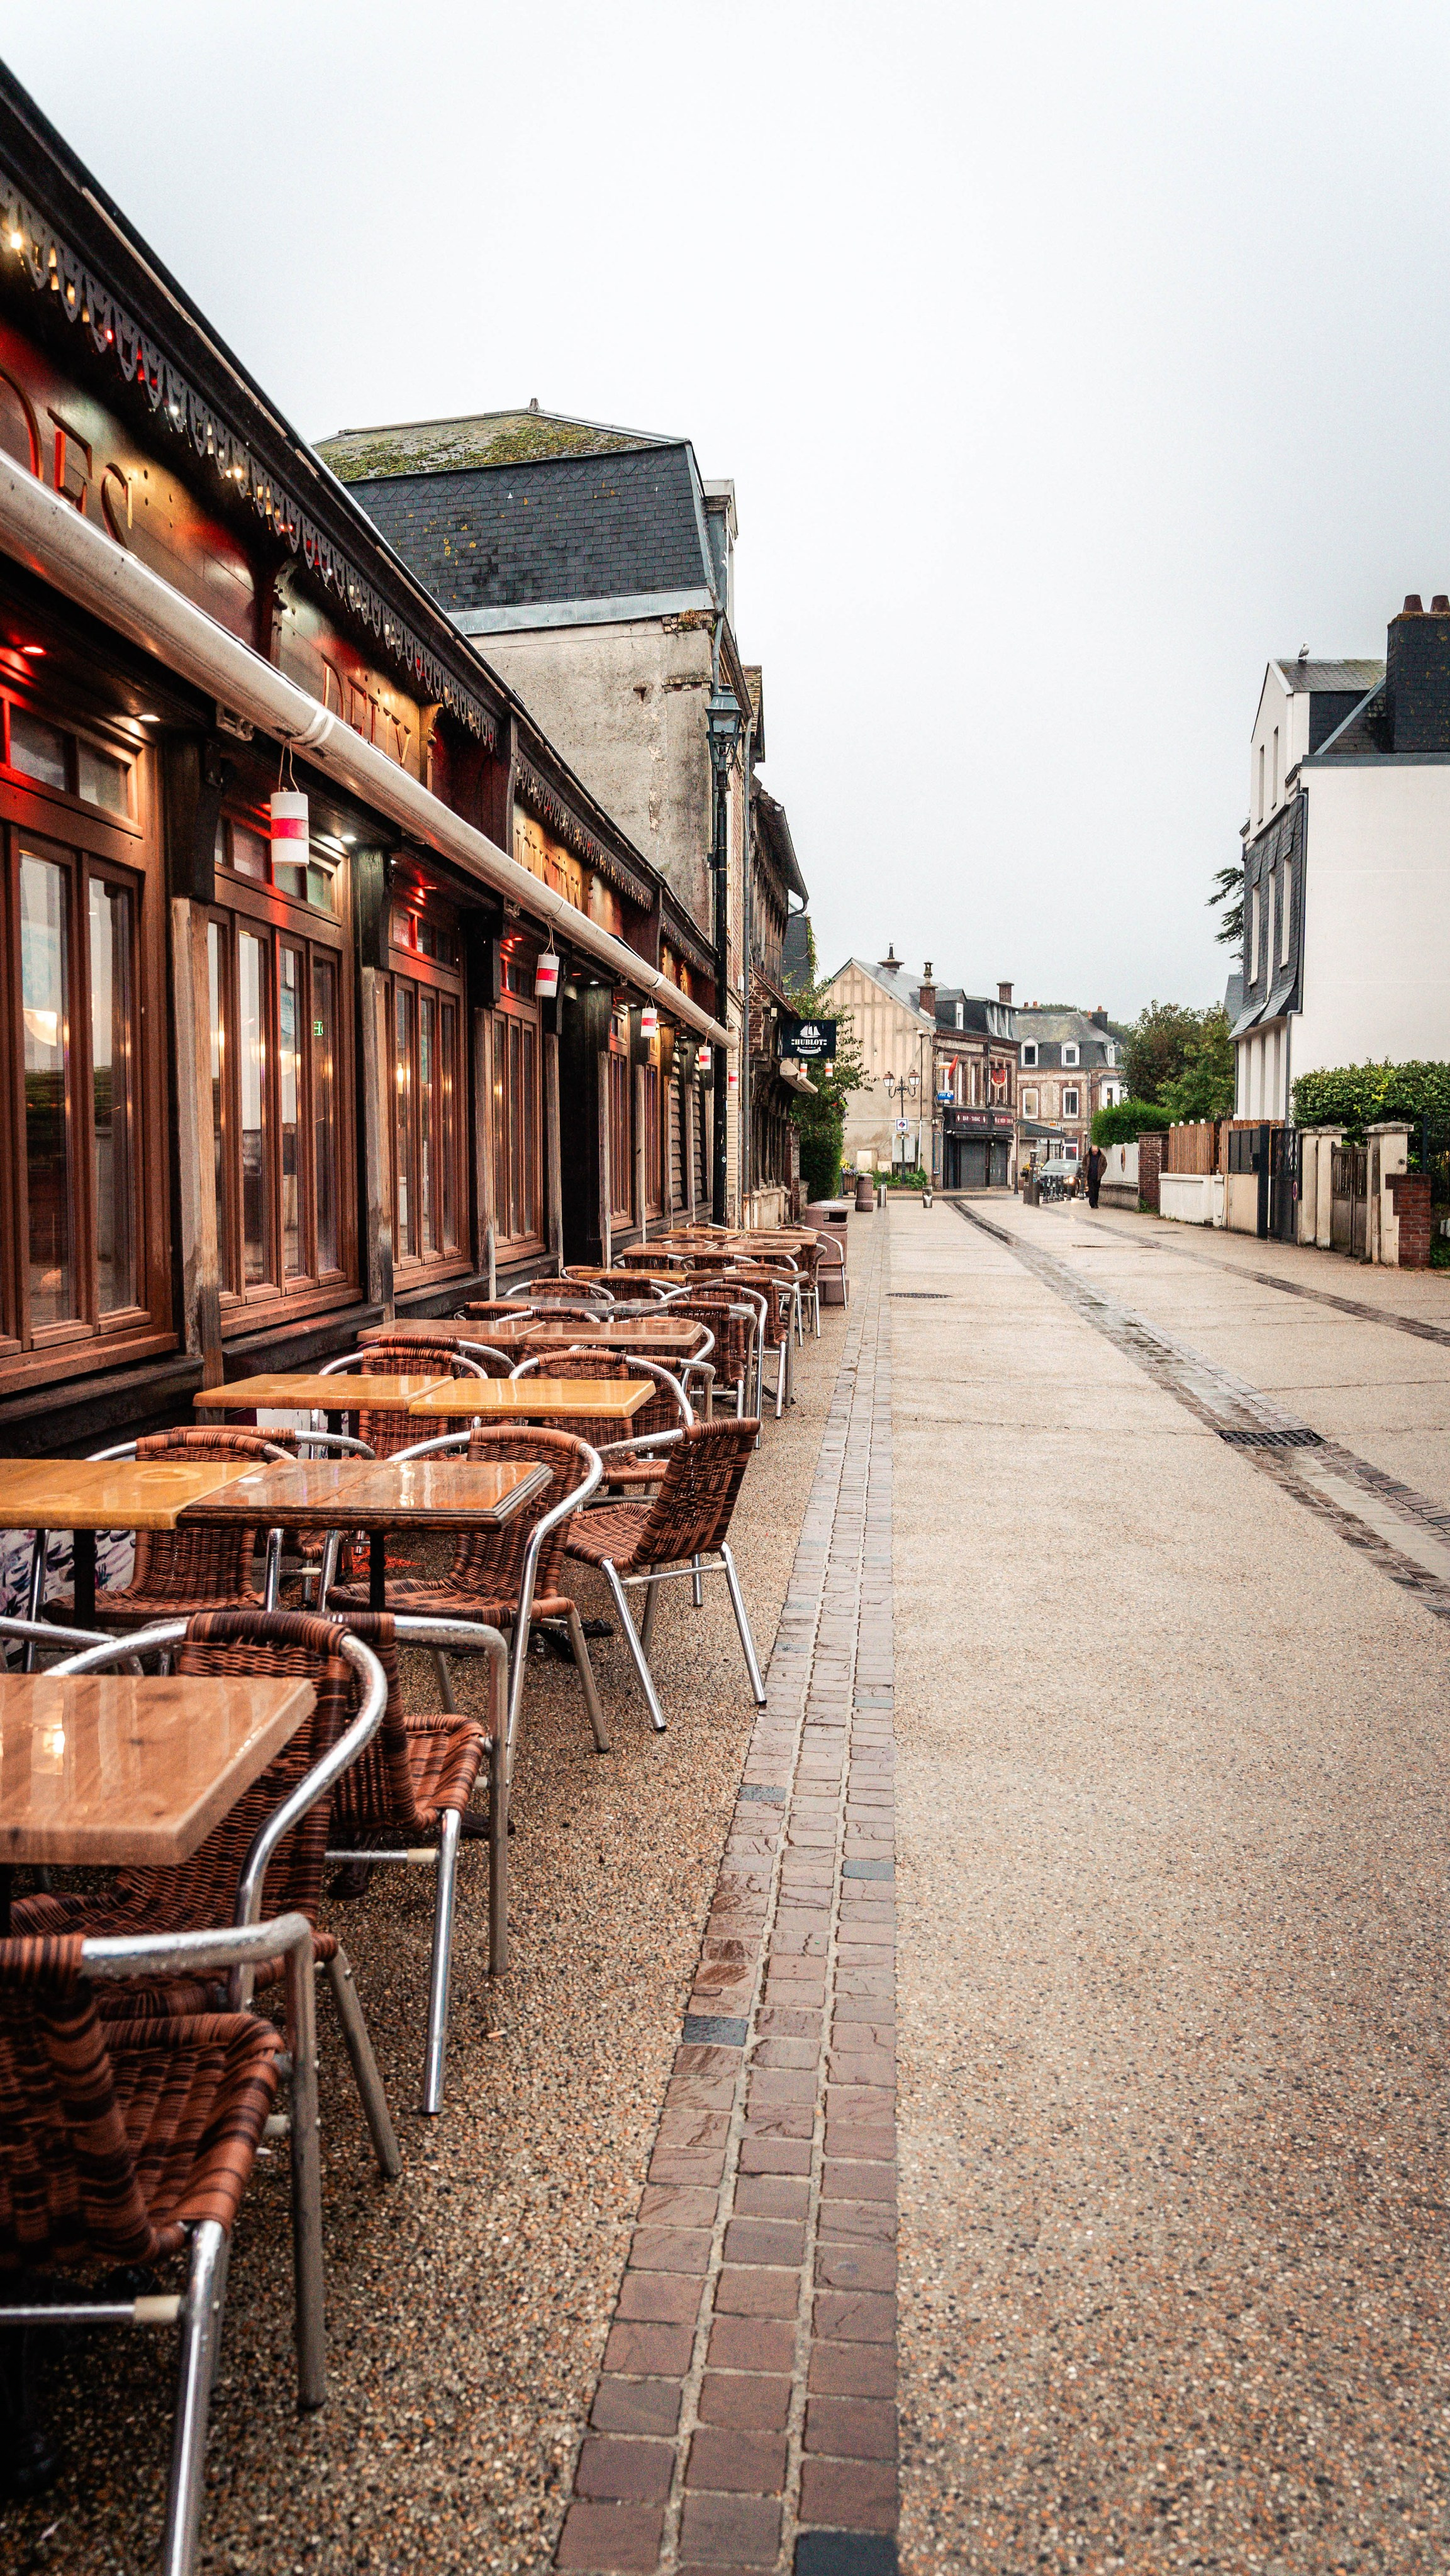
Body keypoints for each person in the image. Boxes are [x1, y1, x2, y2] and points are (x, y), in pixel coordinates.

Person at [1085, 1142, 1106, 1210]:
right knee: (1091, 1190)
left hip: (1097, 1176)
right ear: (1091, 1151)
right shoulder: (1088, 1155)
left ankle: (1096, 1203)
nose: (1095, 1153)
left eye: (1096, 1152)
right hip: (1090, 1175)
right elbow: (1084, 1163)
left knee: (1096, 1190)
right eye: (1093, 1152)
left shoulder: (1101, 1156)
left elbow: (1105, 1164)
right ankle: (1092, 1203)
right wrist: (1085, 1170)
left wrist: (1101, 1172)